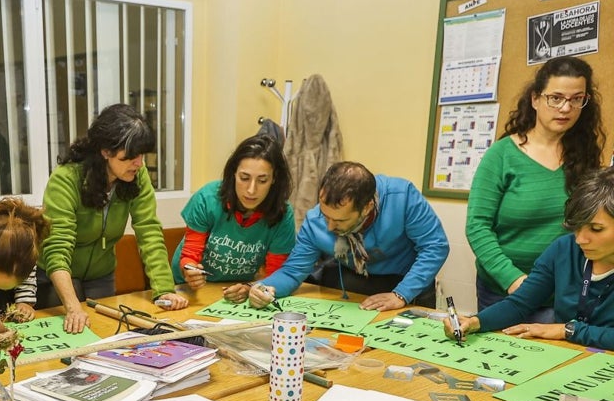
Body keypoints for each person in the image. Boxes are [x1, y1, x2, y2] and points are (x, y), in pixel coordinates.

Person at [466, 56, 605, 317]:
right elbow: (477, 226)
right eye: (556, 98)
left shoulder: (586, 157)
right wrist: (513, 280)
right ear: (535, 99)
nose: (566, 108)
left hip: (564, 290)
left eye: (577, 99)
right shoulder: (502, 155)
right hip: (505, 289)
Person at [37, 103, 188, 333]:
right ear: (105, 151)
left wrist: (164, 290)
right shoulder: (66, 178)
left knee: (105, 333)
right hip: (59, 278)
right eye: (130, 156)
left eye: (142, 155)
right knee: (72, 332)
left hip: (102, 274)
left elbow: (148, 230)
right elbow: (57, 248)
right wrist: (72, 306)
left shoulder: (137, 175)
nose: (139, 163)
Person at [447, 166, 614, 349]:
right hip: (570, 355)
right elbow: (520, 303)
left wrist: (568, 330)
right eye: (577, 226)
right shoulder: (564, 249)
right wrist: (474, 322)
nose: (580, 239)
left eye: (596, 229)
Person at [248, 161, 448, 312]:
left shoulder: (402, 197)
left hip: (408, 281)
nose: (330, 226)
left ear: (367, 207)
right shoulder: (316, 221)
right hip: (354, 281)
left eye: (341, 221)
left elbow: (435, 247)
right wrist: (262, 289)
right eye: (326, 215)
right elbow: (293, 272)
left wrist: (401, 294)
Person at [172, 135, 294, 303]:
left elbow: (275, 274)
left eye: (262, 180)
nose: (251, 190)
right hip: (189, 288)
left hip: (238, 289)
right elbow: (190, 254)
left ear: (274, 179)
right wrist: (190, 270)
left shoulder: (283, 213)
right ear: (233, 174)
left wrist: (253, 288)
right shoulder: (207, 198)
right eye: (244, 178)